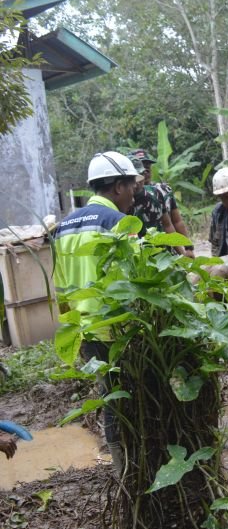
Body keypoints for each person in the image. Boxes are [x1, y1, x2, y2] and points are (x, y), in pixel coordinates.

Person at [53, 151, 144, 476]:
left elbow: (61, 291)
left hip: (88, 333)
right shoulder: (118, 224)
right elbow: (139, 281)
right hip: (121, 330)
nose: (134, 195)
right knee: (135, 401)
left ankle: (122, 469)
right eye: (132, 187)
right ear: (118, 187)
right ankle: (137, 470)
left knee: (111, 401)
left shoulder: (62, 227)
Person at [130, 149, 194, 257]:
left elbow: (174, 222)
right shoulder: (124, 200)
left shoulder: (160, 191)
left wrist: (187, 248)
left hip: (167, 254)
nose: (145, 170)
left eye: (147, 166)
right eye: (141, 166)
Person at [127, 155, 176, 237]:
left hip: (160, 247)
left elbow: (168, 225)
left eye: (140, 175)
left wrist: (186, 248)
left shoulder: (156, 193)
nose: (137, 182)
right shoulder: (121, 202)